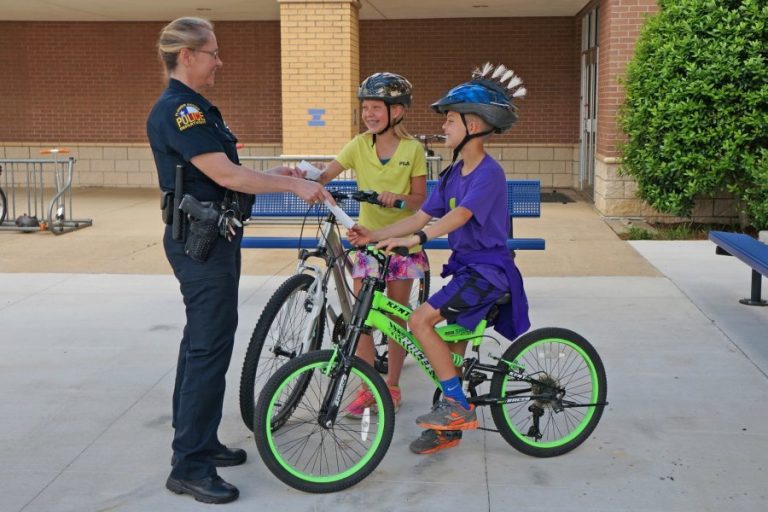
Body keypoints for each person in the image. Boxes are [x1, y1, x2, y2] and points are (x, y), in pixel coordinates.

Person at [146, 17, 332, 504]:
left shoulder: (196, 110)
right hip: (199, 244)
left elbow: (220, 174)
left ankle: (200, 441)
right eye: (212, 53)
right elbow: (225, 175)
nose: (219, 62)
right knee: (208, 348)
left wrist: (274, 173)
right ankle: (189, 464)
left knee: (202, 342)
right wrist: (293, 185)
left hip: (214, 237)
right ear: (187, 56)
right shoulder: (180, 110)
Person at [348, 63, 531, 454]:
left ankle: (458, 406)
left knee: (419, 320)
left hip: (488, 273)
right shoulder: (451, 174)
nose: (444, 127)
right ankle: (449, 421)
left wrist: (419, 238)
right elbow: (419, 214)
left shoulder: (488, 174)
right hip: (467, 271)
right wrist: (375, 235)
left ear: (475, 124)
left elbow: (457, 216)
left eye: (450, 119)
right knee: (448, 347)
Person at [314, 72, 428, 416]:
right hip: (366, 243)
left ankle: (391, 386)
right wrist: (306, 176)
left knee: (394, 319)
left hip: (402, 244)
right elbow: (326, 174)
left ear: (397, 111)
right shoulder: (358, 145)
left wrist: (399, 199)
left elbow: (420, 201)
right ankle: (368, 386)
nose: (369, 114)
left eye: (376, 107)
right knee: (361, 317)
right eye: (365, 108)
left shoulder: (413, 150)